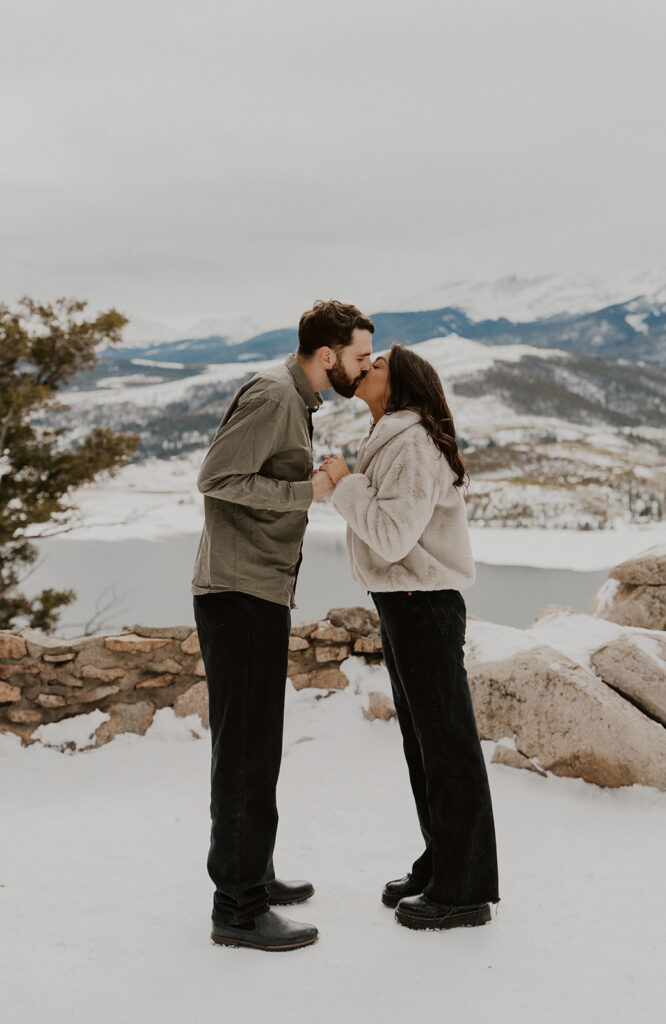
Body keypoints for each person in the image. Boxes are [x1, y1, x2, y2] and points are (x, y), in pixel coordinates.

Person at [192, 300, 374, 951]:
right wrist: (310, 493)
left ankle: (255, 874)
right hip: (238, 593)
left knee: (255, 744)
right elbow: (215, 478)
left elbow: (262, 474)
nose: (364, 367)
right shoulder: (274, 395)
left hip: (256, 591)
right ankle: (237, 910)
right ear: (326, 354)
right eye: (358, 356)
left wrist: (309, 478)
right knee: (245, 750)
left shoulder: (296, 401)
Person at [322, 343, 500, 930]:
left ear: (397, 388)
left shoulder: (413, 444)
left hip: (424, 603)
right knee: (423, 744)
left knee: (446, 745)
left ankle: (465, 889)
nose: (365, 369)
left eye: (376, 366)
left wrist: (347, 485)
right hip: (404, 602)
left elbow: (393, 537)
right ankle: (440, 861)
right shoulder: (390, 436)